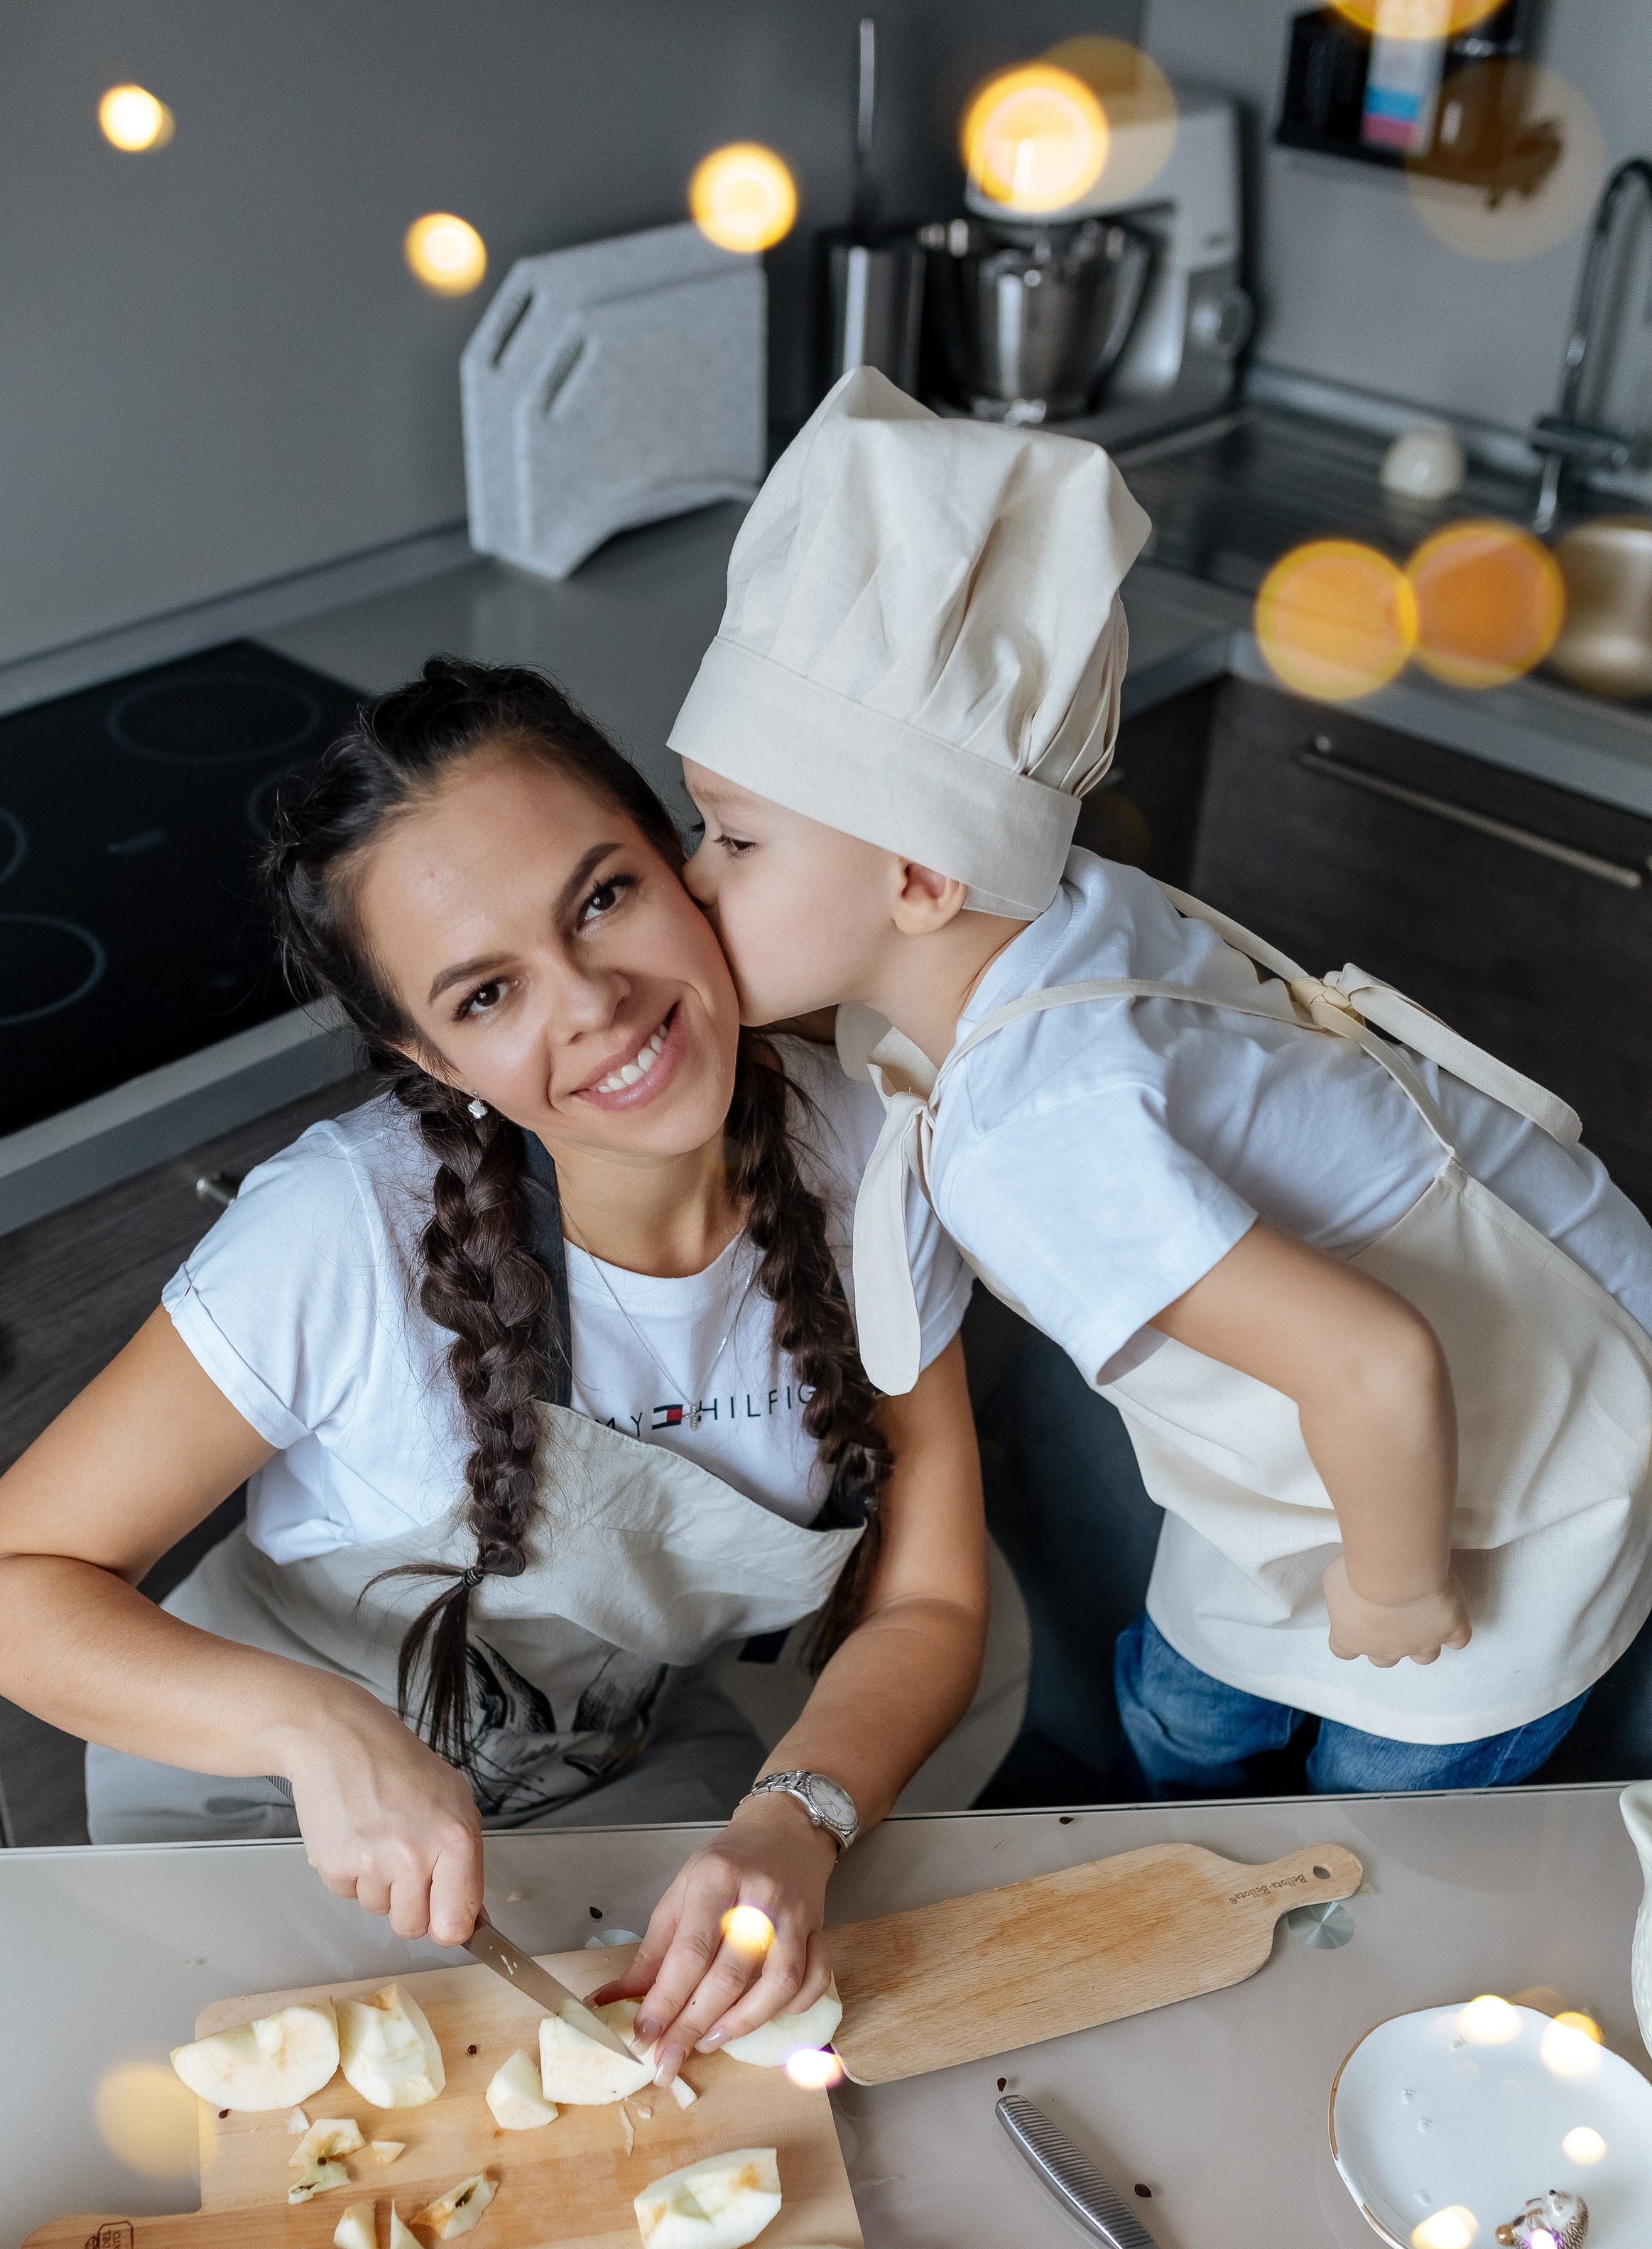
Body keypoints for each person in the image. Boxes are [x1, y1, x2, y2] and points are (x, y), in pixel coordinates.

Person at [0, 658, 995, 2074]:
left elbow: (924, 1600)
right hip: (268, 1809)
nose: (595, 1006)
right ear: (418, 1051)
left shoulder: (871, 1150)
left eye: (603, 897)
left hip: (607, 1777)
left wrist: (791, 1822)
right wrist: (312, 1731)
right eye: (487, 993)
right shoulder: (337, 1231)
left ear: (685, 864)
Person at [668, 366, 1652, 1795]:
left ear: (921, 878)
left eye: (730, 842)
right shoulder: (1048, 910)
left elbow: (1375, 1365)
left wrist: (1391, 1586)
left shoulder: (1038, 1130)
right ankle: (1197, 1757)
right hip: (1310, 1409)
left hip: (1490, 1421)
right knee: (1196, 1699)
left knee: (1399, 1779)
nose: (687, 888)